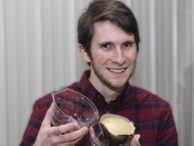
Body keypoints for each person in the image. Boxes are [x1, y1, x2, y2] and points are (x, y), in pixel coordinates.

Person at [20, 0, 178, 145]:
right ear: (84, 52)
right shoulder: (49, 109)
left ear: (138, 47)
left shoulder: (159, 112)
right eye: (107, 46)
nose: (120, 58)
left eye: (127, 44)